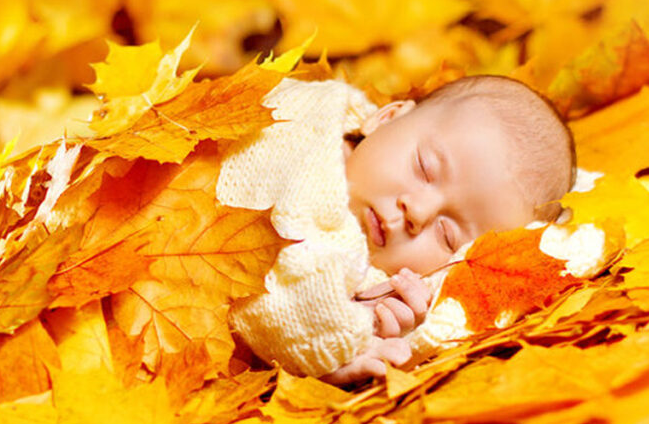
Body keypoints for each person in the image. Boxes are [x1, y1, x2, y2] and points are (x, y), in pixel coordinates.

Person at [216, 75, 575, 386]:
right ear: (385, 118)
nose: (417, 211)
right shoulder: (301, 130)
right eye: (425, 168)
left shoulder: (379, 279)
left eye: (447, 235)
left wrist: (375, 322)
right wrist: (339, 343)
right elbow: (271, 286)